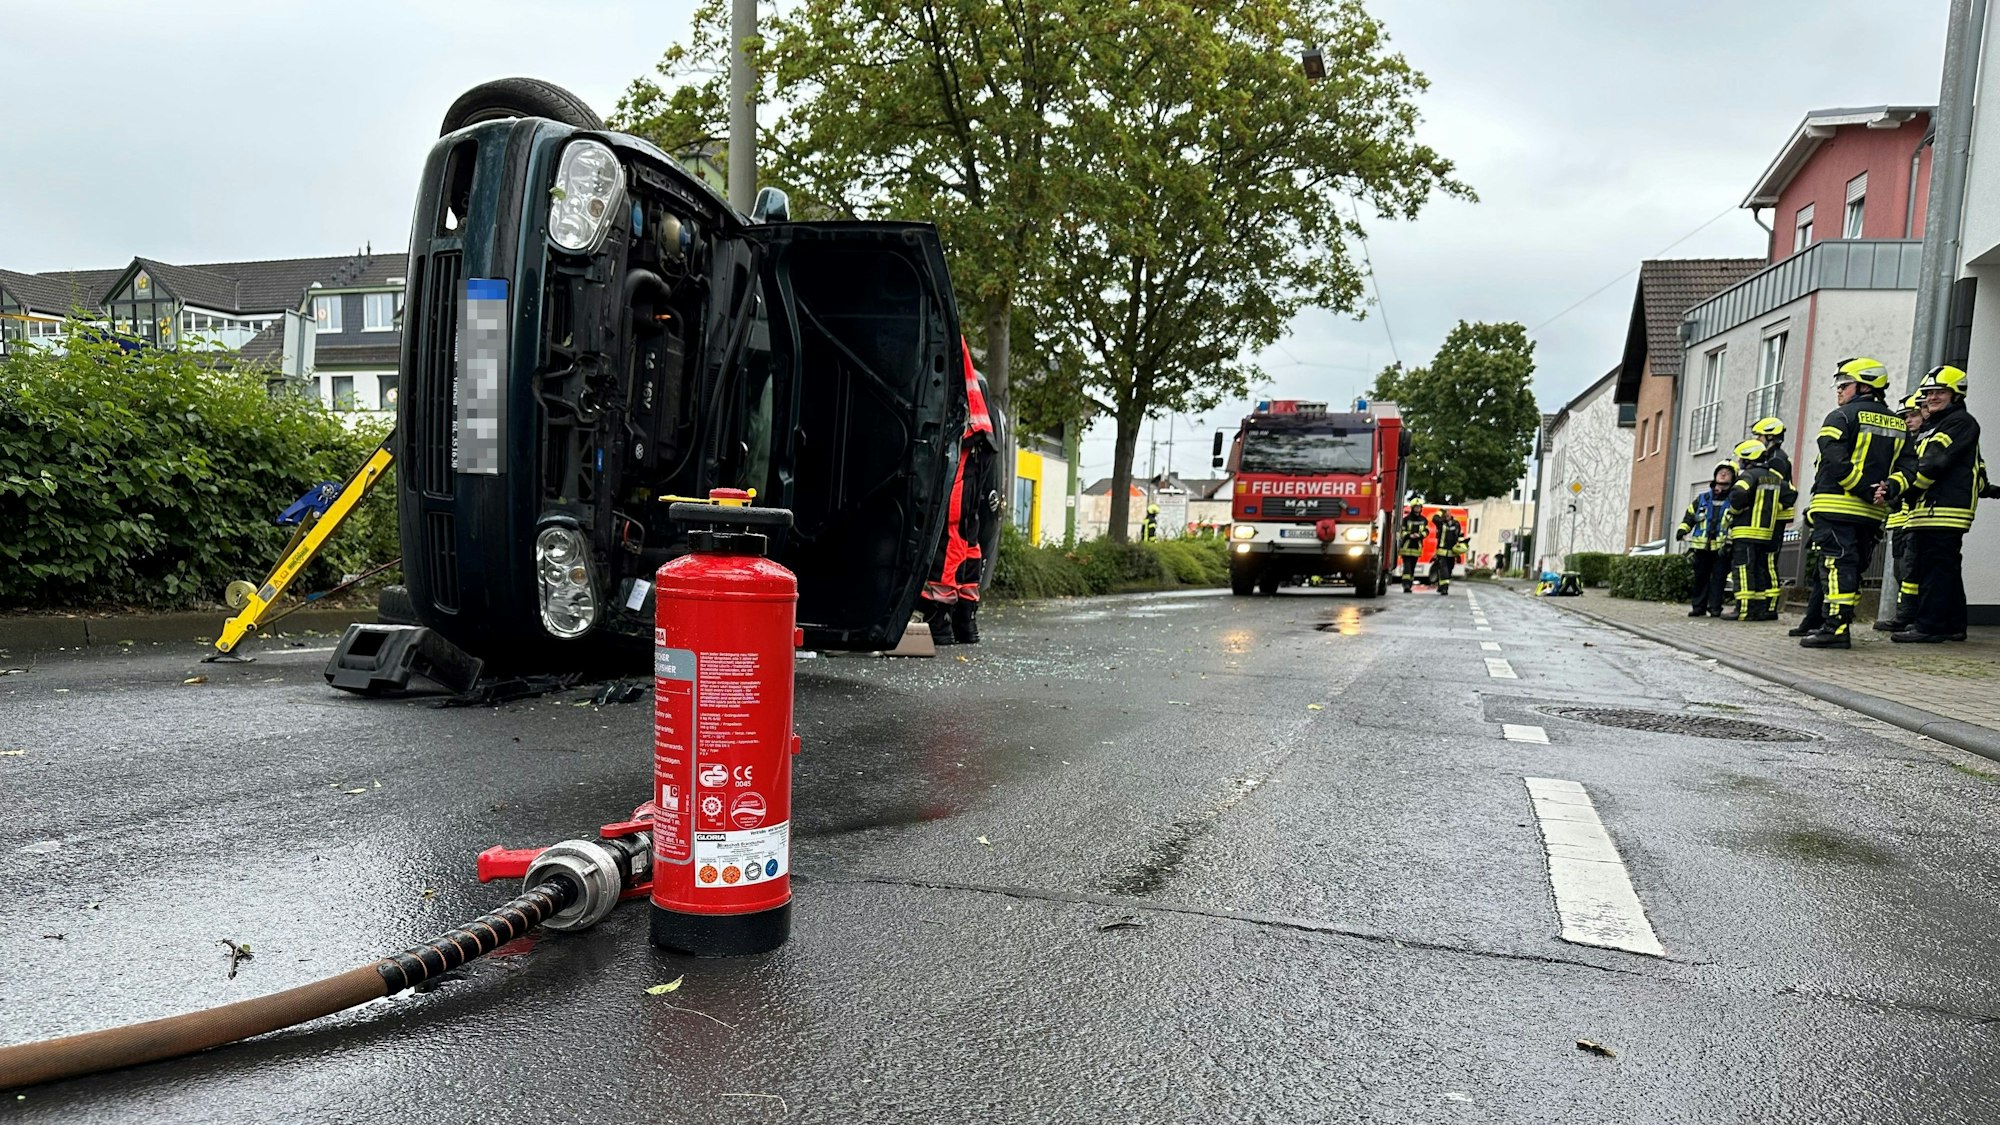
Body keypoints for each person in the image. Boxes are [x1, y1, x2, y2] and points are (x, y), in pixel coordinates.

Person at [1793, 357, 1905, 649]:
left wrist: (1861, 488)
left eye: (1845, 385)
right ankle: (1841, 623)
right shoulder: (1899, 424)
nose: (1839, 391)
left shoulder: (1840, 417)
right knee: (1853, 569)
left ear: (1864, 386)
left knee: (1834, 566)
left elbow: (1834, 459)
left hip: (1837, 506)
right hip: (1870, 513)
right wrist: (1887, 489)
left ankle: (1835, 628)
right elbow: (1909, 468)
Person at [1880, 365, 1991, 643]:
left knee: (1935, 569)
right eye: (1928, 393)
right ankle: (1953, 625)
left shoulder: (1960, 423)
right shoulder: (1935, 426)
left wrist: (1898, 490)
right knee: (1946, 569)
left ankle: (1929, 627)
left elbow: (1933, 463)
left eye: (1940, 392)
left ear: (1956, 394)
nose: (1932, 398)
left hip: (1944, 510)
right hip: (1927, 509)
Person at [919, 342, 1001, 645]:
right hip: (976, 439)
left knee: (952, 528)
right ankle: (965, 618)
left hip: (964, 439)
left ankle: (938, 615)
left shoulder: (941, 334)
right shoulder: (949, 332)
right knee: (968, 534)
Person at [1874, 393, 1929, 633]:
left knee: (1913, 571)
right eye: (1904, 417)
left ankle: (1912, 616)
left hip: (1917, 517)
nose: (1908, 421)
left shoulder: (1927, 441)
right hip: (1898, 518)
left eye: (1913, 415)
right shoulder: (1904, 445)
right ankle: (1903, 614)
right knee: (1900, 571)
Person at [1728, 438, 1793, 621]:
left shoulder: (1748, 476)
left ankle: (1744, 610)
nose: (1740, 462)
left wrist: (1736, 509)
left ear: (1748, 459)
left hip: (1746, 531)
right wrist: (1774, 507)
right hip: (1767, 533)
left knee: (1743, 569)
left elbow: (1738, 494)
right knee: (1764, 569)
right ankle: (1765, 609)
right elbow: (1791, 494)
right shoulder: (1775, 477)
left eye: (1741, 458)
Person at [1676, 462, 1735, 616]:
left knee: (1719, 579)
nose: (1723, 474)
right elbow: (1690, 516)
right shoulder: (1703, 498)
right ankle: (1698, 607)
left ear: (1733, 477)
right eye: (1720, 472)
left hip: (1722, 548)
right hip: (1702, 547)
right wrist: (1683, 529)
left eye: (1727, 472)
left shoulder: (1734, 499)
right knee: (1700, 577)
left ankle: (1715, 608)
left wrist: (1730, 542)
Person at [1751, 416, 1795, 599]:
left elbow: (1774, 489)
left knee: (1769, 560)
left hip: (1775, 515)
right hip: (1773, 515)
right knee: (1764, 559)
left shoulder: (1777, 459)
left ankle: (1770, 604)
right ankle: (1764, 601)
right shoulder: (1774, 456)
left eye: (1759, 436)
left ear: (1770, 437)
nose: (1756, 440)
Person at [1432, 515, 1468, 595]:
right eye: (1446, 514)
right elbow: (1434, 518)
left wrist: (1460, 549)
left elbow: (1459, 536)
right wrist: (1441, 512)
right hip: (1442, 552)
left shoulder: (1456, 524)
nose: (1447, 516)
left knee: (1449, 570)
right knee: (1444, 570)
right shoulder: (1441, 524)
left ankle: (1441, 586)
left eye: (1448, 514)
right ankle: (1444, 588)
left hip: (1452, 552)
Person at [1397, 503, 1428, 592]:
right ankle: (1406, 585)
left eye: (1419, 507)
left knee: (1412, 568)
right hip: (1406, 546)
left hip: (1416, 547)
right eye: (1416, 507)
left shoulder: (1423, 520)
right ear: (1412, 508)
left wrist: (1420, 535)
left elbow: (1426, 531)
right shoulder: (1406, 519)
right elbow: (1402, 532)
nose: (1417, 509)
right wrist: (1410, 535)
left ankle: (1409, 585)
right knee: (1407, 567)